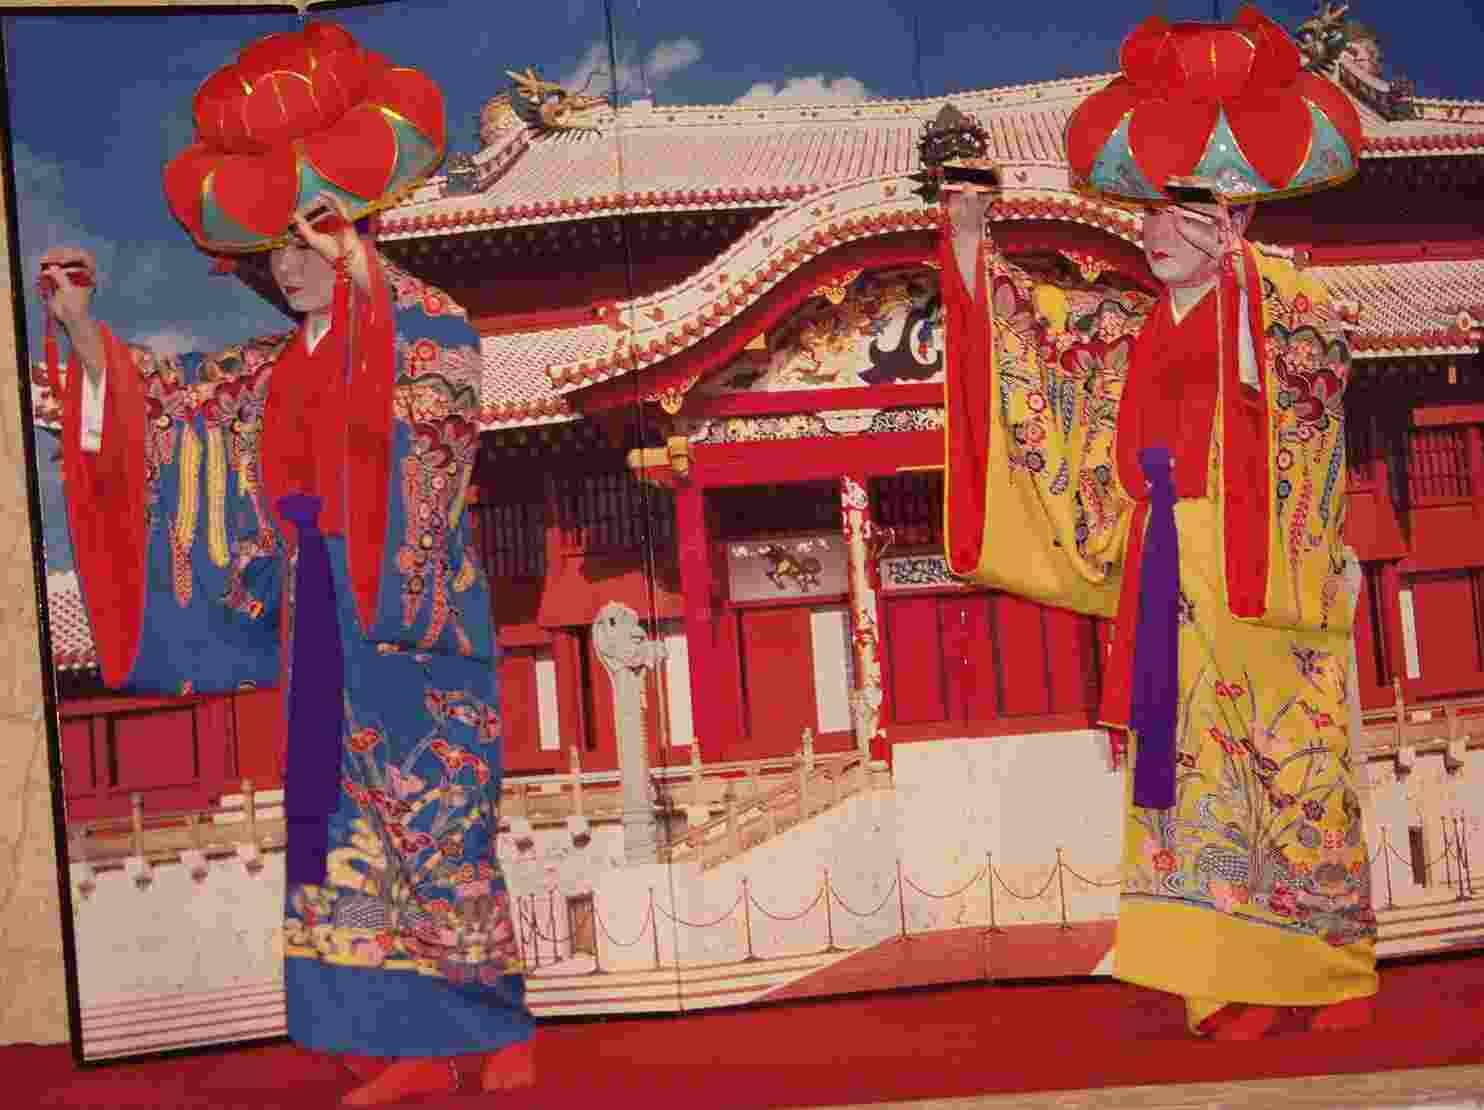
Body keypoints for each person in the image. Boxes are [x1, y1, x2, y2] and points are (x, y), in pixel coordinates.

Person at [41, 194, 536, 1104]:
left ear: (351, 245)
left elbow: (445, 348)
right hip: (315, 605)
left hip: (401, 599)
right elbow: (160, 399)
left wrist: (359, 264)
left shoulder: (407, 333)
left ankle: (495, 1025)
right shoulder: (269, 368)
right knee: (339, 829)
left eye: (306, 247)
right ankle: (398, 1042)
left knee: (437, 814)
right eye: (276, 254)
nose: (291, 267)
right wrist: (79, 326)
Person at [940, 180, 1378, 1040]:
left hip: (1264, 566)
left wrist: (1245, 268)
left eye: (1179, 211)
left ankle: (1332, 973)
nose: (1153, 230)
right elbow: (1025, 330)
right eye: (1144, 212)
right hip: (1165, 567)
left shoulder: (1288, 303)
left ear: (1236, 218)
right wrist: (968, 240)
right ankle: (1222, 983)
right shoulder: (1123, 328)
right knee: (1191, 778)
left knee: (1296, 765)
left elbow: (1312, 382)